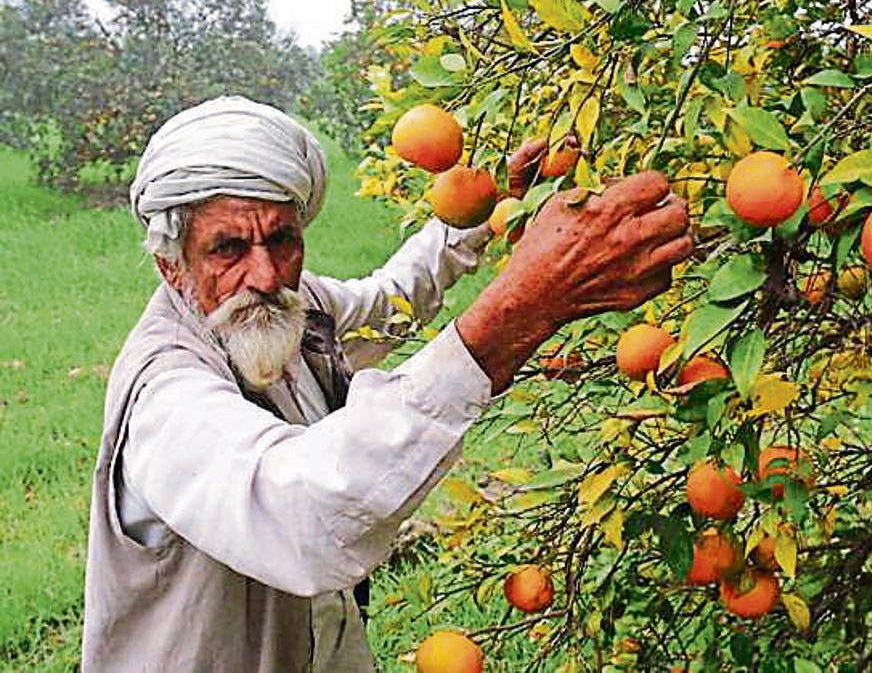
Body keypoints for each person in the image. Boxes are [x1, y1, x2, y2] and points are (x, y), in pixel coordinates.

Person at [81, 96, 692, 672]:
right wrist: (518, 313)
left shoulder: (292, 308)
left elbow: (390, 302)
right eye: (229, 248)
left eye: (282, 240)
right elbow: (302, 516)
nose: (265, 275)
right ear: (170, 263)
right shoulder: (165, 396)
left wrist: (482, 213)